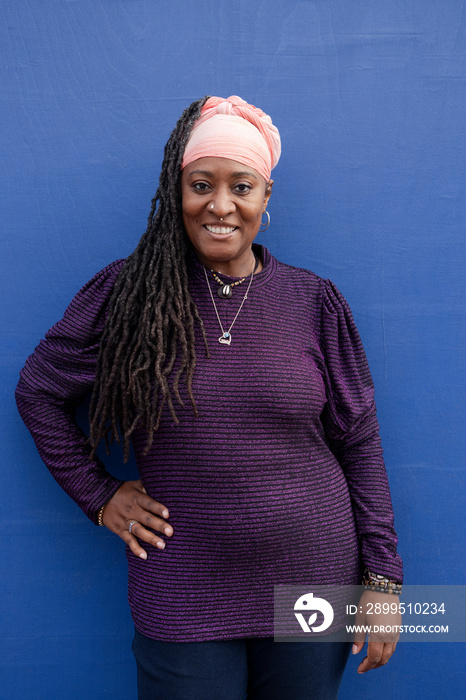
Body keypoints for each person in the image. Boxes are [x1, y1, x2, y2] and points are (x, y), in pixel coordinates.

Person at [16, 95, 403, 699]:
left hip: (312, 580)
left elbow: (359, 443)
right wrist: (98, 494)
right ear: (179, 193)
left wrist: (382, 581)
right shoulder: (127, 296)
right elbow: (38, 390)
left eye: (241, 186)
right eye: (202, 184)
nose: (220, 205)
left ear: (265, 198)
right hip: (184, 588)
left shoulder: (313, 302)